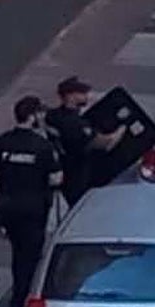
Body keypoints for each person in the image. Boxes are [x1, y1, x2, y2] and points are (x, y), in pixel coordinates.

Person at [0, 96, 64, 307]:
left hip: (6, 208)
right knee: (28, 257)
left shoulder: (1, 142)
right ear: (32, 116)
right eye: (39, 114)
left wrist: (9, 176)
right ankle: (20, 303)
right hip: (33, 209)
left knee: (18, 251)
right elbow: (56, 178)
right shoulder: (43, 146)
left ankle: (20, 296)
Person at [44, 76, 124, 208]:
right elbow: (105, 144)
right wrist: (122, 128)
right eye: (82, 93)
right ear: (70, 96)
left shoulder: (52, 116)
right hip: (78, 176)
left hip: (64, 170)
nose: (87, 96)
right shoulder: (75, 124)